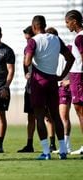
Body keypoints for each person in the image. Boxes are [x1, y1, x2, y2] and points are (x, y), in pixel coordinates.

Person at [24, 15, 74, 160]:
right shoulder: (56, 39)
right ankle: (63, 150)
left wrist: (31, 56)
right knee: (56, 116)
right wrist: (62, 75)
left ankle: (46, 152)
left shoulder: (33, 41)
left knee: (39, 116)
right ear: (44, 25)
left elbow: (27, 62)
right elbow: (70, 58)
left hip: (38, 82)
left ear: (34, 27)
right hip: (53, 80)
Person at [17, 26, 57, 153]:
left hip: (41, 84)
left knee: (48, 115)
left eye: (28, 38)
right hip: (30, 86)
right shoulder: (27, 47)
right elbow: (25, 62)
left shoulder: (39, 46)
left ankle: (52, 144)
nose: (27, 41)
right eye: (26, 39)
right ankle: (29, 144)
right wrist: (25, 73)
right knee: (31, 116)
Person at [45, 27, 72, 154]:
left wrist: (69, 81)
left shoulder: (67, 50)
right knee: (50, 117)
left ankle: (66, 146)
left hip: (63, 87)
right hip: (51, 87)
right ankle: (57, 144)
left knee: (62, 117)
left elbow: (77, 66)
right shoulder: (47, 52)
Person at [65, 9, 83, 155]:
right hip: (77, 76)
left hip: (79, 76)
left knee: (80, 111)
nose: (66, 25)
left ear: (74, 21)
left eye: (67, 22)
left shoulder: (79, 38)